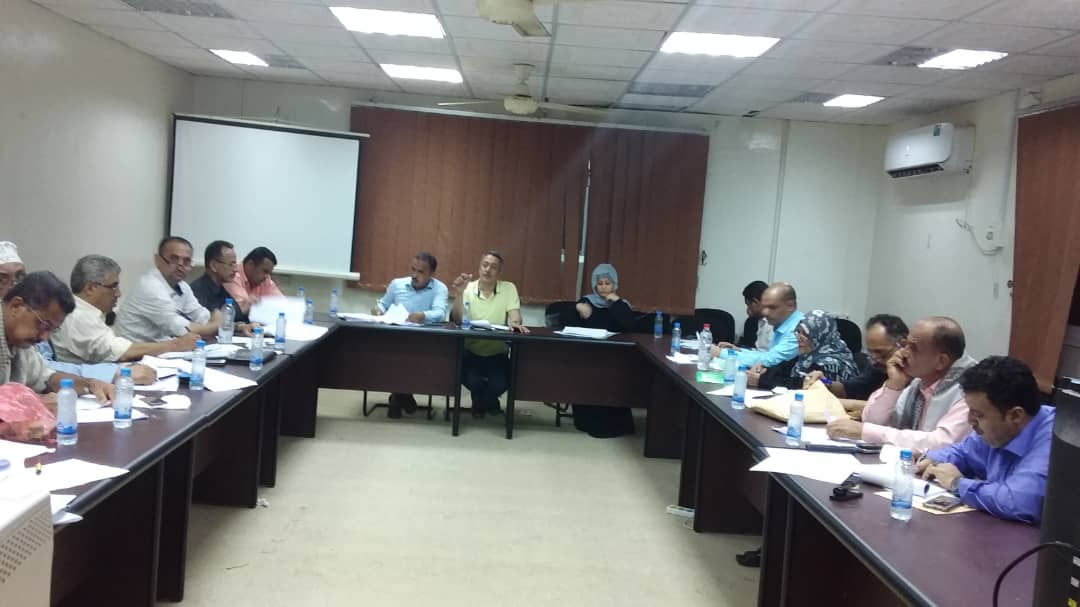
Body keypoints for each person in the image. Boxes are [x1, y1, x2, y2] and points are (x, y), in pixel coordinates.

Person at [917, 356, 1054, 524]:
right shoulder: (998, 430)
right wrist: (931, 459)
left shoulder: (1053, 440)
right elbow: (963, 452)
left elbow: (1018, 502)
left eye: (978, 415)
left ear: (1015, 415)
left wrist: (957, 483)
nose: (970, 421)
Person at [826, 317, 977, 451]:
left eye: (913, 348)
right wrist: (893, 386)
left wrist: (867, 432)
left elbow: (942, 443)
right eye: (904, 345)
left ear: (941, 361)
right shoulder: (918, 382)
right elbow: (872, 421)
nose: (903, 353)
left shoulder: (971, 389)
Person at [51, 254, 198, 364]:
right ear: (90, 288)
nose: (119, 293)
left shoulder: (85, 312)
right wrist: (176, 345)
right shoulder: (78, 316)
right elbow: (120, 352)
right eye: (113, 286)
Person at [1, 272, 113, 401]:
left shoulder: (19, 341)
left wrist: (90, 384)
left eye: (51, 330)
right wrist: (34, 404)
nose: (44, 338)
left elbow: (47, 379)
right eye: (44, 325)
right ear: (16, 306)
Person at [449, 251, 528, 417]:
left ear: (499, 272)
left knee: (500, 384)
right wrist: (459, 293)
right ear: (479, 267)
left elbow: (515, 316)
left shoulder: (508, 288)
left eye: (493, 267)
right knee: (473, 381)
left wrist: (515, 322)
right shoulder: (468, 287)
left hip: (497, 353)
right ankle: (489, 403)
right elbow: (457, 319)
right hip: (471, 351)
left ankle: (481, 403)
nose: (487, 270)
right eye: (484, 265)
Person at [371, 252, 449, 418]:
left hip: (425, 340)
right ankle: (403, 396)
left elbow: (440, 313)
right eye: (413, 269)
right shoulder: (397, 284)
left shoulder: (440, 288)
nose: (414, 275)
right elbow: (383, 304)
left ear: (432, 274)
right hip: (396, 337)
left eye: (420, 272)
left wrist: (423, 316)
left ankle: (397, 397)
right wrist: (378, 310)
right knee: (396, 352)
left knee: (411, 355)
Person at [571, 263, 637, 438]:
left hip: (616, 356)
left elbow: (629, 325)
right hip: (590, 354)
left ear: (614, 284)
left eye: (608, 283)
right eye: (600, 283)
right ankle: (587, 421)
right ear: (595, 285)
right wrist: (578, 308)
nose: (604, 287)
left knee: (614, 375)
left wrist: (615, 302)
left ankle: (614, 424)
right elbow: (576, 324)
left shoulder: (622, 304)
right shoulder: (587, 301)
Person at [115, 236, 222, 342]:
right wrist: (214, 325)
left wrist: (213, 321)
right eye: (174, 259)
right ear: (157, 260)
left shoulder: (182, 286)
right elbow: (179, 328)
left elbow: (200, 315)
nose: (180, 266)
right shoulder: (150, 287)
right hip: (136, 349)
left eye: (186, 261)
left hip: (161, 346)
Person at [803, 314, 908, 418]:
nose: (875, 360)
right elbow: (849, 389)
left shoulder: (913, 375)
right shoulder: (877, 366)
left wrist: (840, 403)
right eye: (870, 353)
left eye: (881, 352)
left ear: (903, 345)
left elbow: (896, 411)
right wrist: (826, 382)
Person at [752, 310, 860, 390]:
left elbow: (804, 385)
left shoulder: (831, 364)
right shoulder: (809, 354)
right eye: (798, 332)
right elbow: (784, 369)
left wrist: (761, 380)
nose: (799, 338)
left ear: (820, 335)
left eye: (806, 334)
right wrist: (764, 370)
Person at [712, 283, 803, 371]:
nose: (765, 312)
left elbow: (769, 360)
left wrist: (721, 353)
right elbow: (766, 354)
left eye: (772, 307)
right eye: (764, 307)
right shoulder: (782, 323)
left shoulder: (799, 329)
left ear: (790, 306)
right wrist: (738, 351)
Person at [225, 246, 284, 314]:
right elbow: (241, 309)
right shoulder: (232, 276)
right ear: (251, 264)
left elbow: (282, 304)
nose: (267, 276)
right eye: (265, 271)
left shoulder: (265, 279)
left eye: (269, 273)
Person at [736, 280, 771, 350]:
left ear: (755, 301)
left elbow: (766, 354)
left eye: (748, 304)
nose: (747, 309)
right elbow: (757, 350)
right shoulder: (755, 320)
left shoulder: (777, 322)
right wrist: (737, 349)